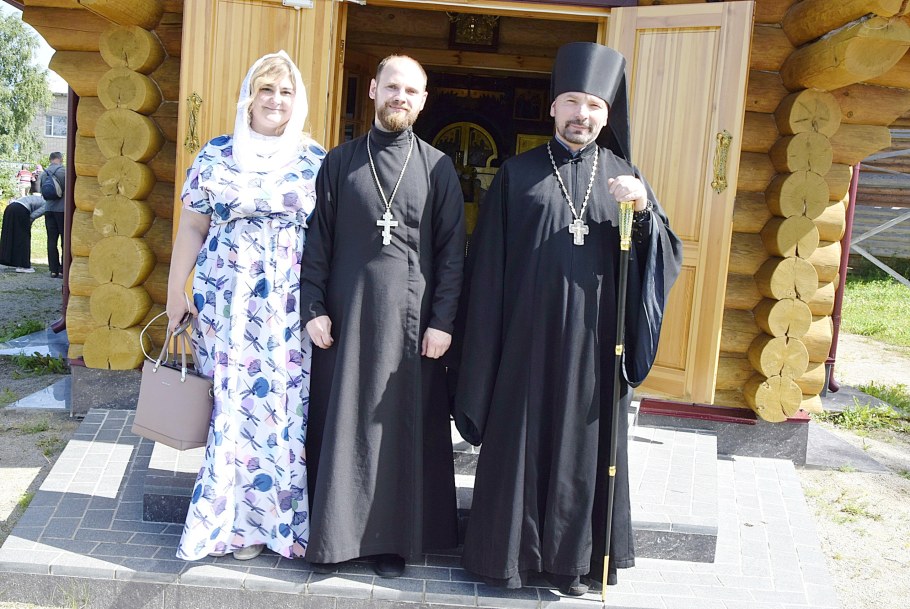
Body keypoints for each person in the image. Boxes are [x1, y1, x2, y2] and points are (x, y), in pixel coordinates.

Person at [453, 42, 683, 596]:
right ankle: (505, 559)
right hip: (525, 345)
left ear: (607, 114)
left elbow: (661, 257)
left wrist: (644, 212)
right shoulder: (517, 175)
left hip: (596, 349)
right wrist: (484, 350)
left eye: (595, 106)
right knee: (521, 446)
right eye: (573, 102)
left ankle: (573, 564)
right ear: (554, 106)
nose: (583, 114)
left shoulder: (626, 177)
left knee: (584, 454)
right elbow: (486, 269)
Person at [299, 55, 465, 578]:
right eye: (392, 86)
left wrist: (443, 322)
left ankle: (393, 543)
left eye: (411, 91)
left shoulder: (437, 167)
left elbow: (453, 254)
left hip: (411, 329)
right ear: (373, 90)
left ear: (423, 100)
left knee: (397, 431)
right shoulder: (339, 162)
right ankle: (336, 539)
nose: (400, 97)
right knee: (344, 425)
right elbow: (317, 242)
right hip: (345, 321)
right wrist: (312, 307)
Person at [165, 51, 325, 562]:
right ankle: (232, 527)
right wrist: (175, 289)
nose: (275, 100)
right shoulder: (216, 154)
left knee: (283, 410)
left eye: (286, 92)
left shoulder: (314, 159)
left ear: (297, 101)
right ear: (248, 98)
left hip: (288, 307)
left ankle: (281, 526)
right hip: (226, 302)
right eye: (266, 90)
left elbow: (329, 239)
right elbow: (192, 227)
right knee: (232, 405)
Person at [0, 194, 45, 273]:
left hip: (10, 207)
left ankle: (6, 259)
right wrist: (28, 224)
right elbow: (33, 215)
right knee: (23, 238)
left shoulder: (37, 198)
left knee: (8, 235)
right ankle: (23, 266)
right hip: (21, 210)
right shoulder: (47, 204)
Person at [40, 153, 66, 278]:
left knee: (51, 240)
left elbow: (42, 192)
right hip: (62, 210)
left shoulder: (43, 173)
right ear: (61, 159)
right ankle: (63, 270)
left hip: (48, 209)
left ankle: (53, 270)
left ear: (50, 160)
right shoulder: (64, 172)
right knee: (64, 240)